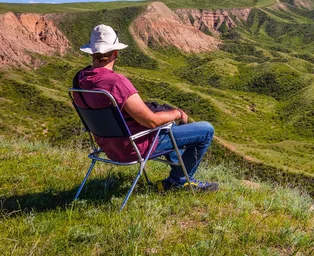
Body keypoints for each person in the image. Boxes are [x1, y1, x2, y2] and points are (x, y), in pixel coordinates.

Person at [73, 24, 218, 192]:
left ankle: (179, 172)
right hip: (133, 147)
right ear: (115, 53)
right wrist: (177, 113)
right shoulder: (116, 83)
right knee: (206, 130)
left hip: (107, 146)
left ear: (92, 53)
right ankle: (178, 180)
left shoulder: (80, 80)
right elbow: (151, 121)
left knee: (167, 124)